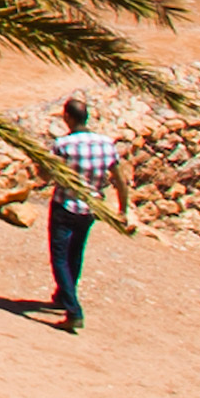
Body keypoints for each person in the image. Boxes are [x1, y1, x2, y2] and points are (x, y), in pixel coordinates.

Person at [44, 94, 120, 332]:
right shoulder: (106, 144)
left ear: (67, 117)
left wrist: (40, 164)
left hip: (64, 205)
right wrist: (123, 210)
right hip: (90, 207)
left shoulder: (63, 145)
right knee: (75, 253)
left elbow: (46, 176)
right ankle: (63, 295)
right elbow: (120, 178)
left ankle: (73, 310)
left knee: (59, 256)